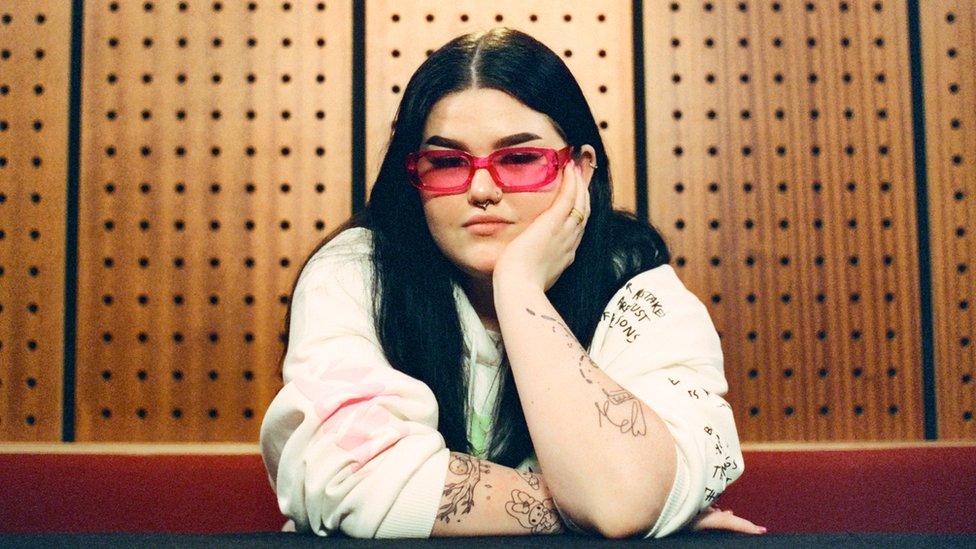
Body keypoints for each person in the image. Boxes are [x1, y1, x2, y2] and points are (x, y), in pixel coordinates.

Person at [259, 27, 764, 539]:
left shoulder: (638, 289)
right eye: (448, 163)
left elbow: (623, 498)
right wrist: (586, 505)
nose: (481, 189)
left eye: (520, 160)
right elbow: (349, 477)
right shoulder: (356, 274)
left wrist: (520, 290)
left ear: (581, 171)